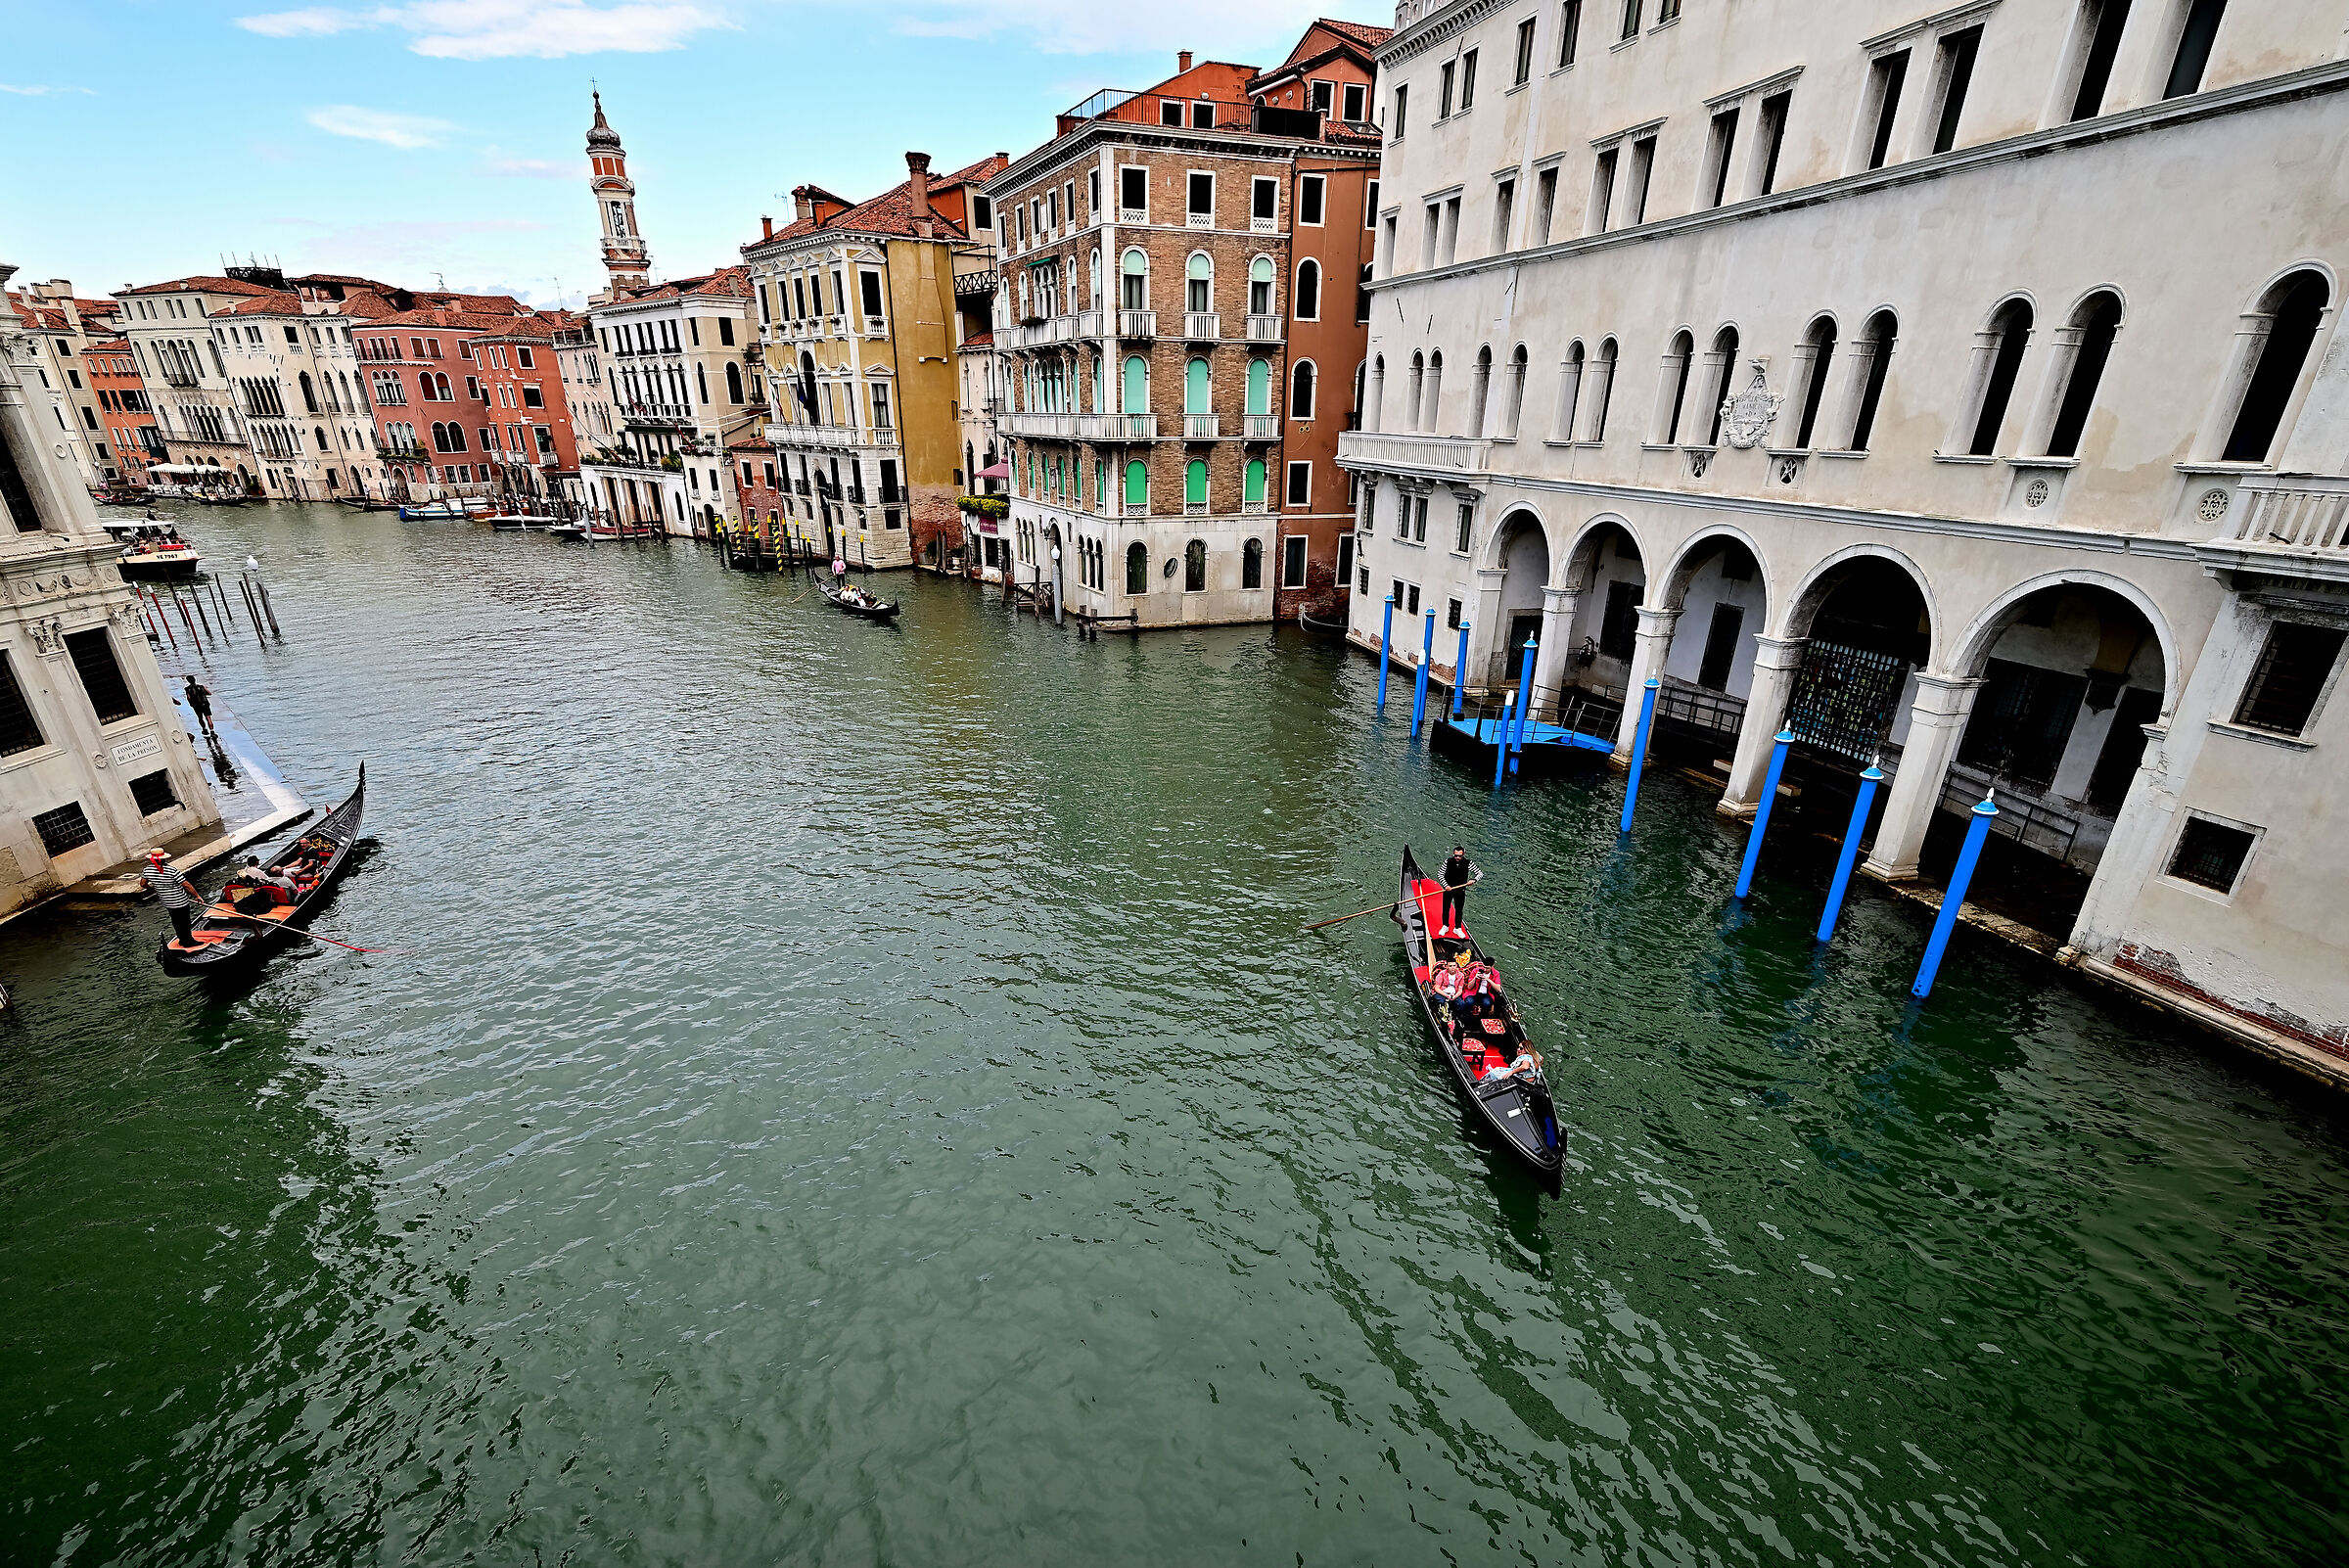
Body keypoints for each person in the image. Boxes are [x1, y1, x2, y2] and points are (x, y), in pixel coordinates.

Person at [142, 849, 201, 945]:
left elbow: (143, 884)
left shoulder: (147, 870)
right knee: (185, 922)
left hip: (167, 902)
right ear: (164, 859)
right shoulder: (172, 870)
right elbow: (186, 885)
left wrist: (154, 889)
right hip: (180, 901)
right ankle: (188, 942)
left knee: (176, 921)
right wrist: (197, 896)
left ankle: (182, 939)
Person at [1439, 845, 1477, 938]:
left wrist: (1474, 880)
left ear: (1463, 855)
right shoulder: (1447, 862)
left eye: (1459, 856)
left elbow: (1479, 873)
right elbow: (1440, 874)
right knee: (1446, 908)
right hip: (1448, 889)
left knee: (1459, 910)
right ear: (1453, 854)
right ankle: (1445, 926)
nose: (1457, 858)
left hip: (1460, 890)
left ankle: (1457, 928)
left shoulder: (1468, 863)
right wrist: (1446, 885)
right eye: (1456, 855)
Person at [182, 675, 216, 741]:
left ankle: (204, 729)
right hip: (205, 704)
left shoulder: (187, 689)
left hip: (196, 705)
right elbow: (209, 693)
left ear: (188, 681)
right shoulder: (201, 687)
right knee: (208, 718)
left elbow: (188, 698)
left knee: (200, 717)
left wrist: (191, 704)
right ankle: (212, 731)